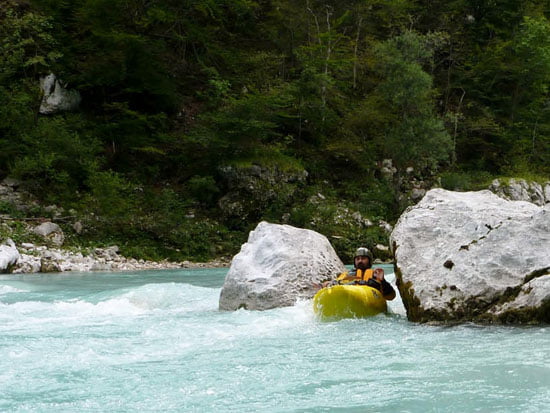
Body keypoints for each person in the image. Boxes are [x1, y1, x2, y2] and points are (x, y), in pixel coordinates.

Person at [323, 247, 396, 300]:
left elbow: (391, 297)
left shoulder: (376, 275)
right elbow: (337, 282)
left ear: (369, 261)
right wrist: (329, 283)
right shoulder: (347, 274)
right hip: (352, 298)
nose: (360, 261)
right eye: (358, 259)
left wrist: (383, 281)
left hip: (370, 301)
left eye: (363, 258)